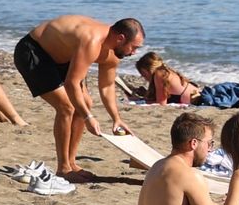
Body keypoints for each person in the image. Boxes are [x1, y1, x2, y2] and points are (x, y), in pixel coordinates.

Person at [13, 15, 143, 182]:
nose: (134, 52)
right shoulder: (92, 41)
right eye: (134, 47)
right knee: (67, 107)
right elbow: (72, 84)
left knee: (86, 102)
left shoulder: (112, 53)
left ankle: (71, 163)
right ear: (121, 38)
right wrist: (89, 117)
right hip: (34, 51)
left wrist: (116, 119)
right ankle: (63, 168)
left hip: (63, 57)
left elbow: (106, 86)